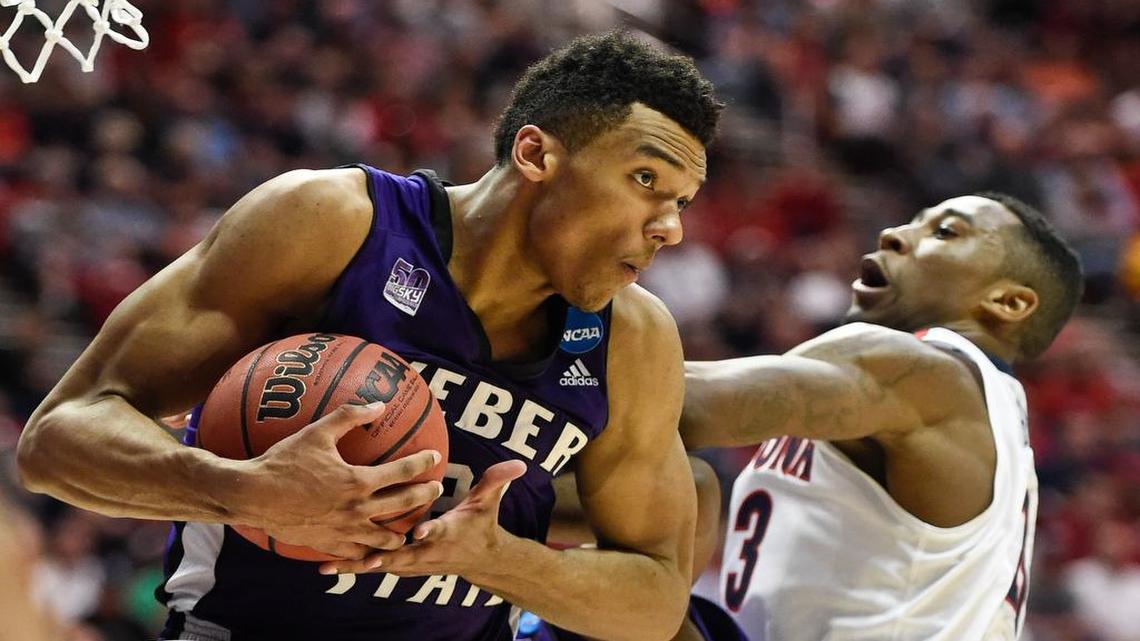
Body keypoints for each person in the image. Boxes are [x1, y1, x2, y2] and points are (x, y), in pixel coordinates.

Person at [16, 31, 723, 641]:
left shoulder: (631, 339)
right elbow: (56, 440)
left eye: (681, 202)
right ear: (537, 154)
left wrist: (498, 558)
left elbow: (658, 598)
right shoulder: (331, 225)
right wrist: (242, 489)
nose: (671, 227)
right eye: (644, 178)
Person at [682, 193, 1083, 640]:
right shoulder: (989, 415)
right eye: (914, 220)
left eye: (946, 232)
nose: (892, 234)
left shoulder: (926, 375)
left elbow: (688, 405)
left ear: (1007, 302)